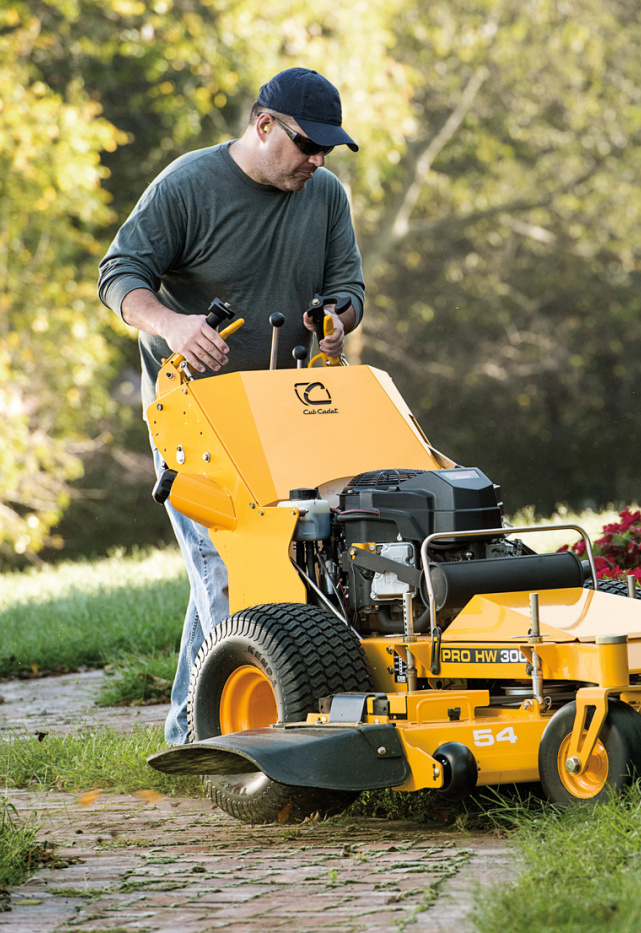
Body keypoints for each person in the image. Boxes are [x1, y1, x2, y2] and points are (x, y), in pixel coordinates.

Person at [97, 68, 365, 745]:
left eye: (328, 149)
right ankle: (227, 742)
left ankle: (197, 730)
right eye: (308, 145)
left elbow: (348, 288)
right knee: (226, 569)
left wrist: (336, 319)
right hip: (195, 416)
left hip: (289, 413)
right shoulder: (188, 184)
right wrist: (173, 324)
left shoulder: (326, 196)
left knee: (301, 562)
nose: (318, 160)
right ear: (264, 124)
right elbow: (119, 274)